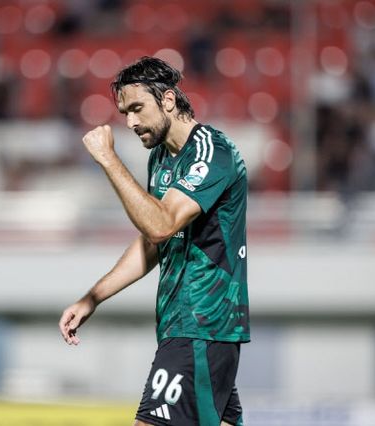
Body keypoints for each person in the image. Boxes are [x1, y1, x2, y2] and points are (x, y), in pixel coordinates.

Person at [59, 56, 249, 426]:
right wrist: (92, 298)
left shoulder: (212, 151)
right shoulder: (161, 158)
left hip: (201, 323)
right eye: (124, 113)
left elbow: (161, 225)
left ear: (168, 100)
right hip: (187, 327)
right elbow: (154, 241)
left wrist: (109, 160)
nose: (130, 123)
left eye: (137, 109)